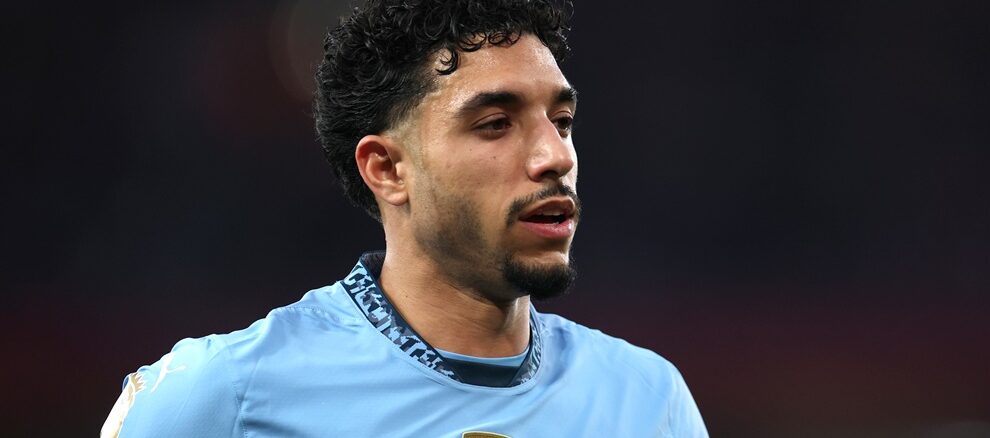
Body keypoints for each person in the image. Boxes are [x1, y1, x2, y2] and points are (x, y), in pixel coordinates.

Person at [101, 1, 708, 436]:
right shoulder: (223, 394)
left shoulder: (649, 402)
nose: (556, 156)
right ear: (388, 169)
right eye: (496, 124)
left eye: (562, 121)